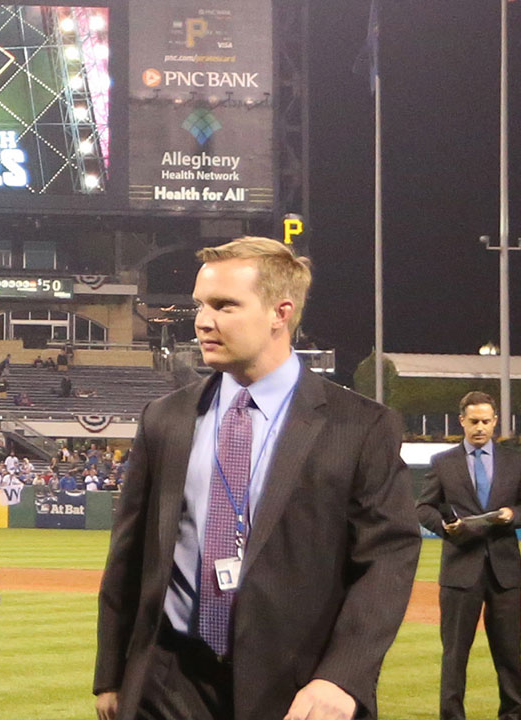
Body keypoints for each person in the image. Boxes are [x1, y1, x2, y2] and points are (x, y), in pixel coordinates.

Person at [93, 237, 420, 720]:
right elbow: (130, 551)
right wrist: (112, 675)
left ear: (279, 312)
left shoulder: (359, 425)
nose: (204, 320)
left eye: (225, 305)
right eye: (201, 304)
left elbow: (387, 559)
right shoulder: (166, 416)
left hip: (293, 687)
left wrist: (342, 676)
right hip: (169, 680)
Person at [415, 391, 521, 720]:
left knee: (512, 656)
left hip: (506, 571)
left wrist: (511, 515)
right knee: (455, 655)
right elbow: (423, 507)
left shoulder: (514, 460)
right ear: (462, 421)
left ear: (495, 421)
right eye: (473, 421)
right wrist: (446, 526)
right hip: (461, 569)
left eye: (486, 421)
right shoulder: (443, 463)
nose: (479, 427)